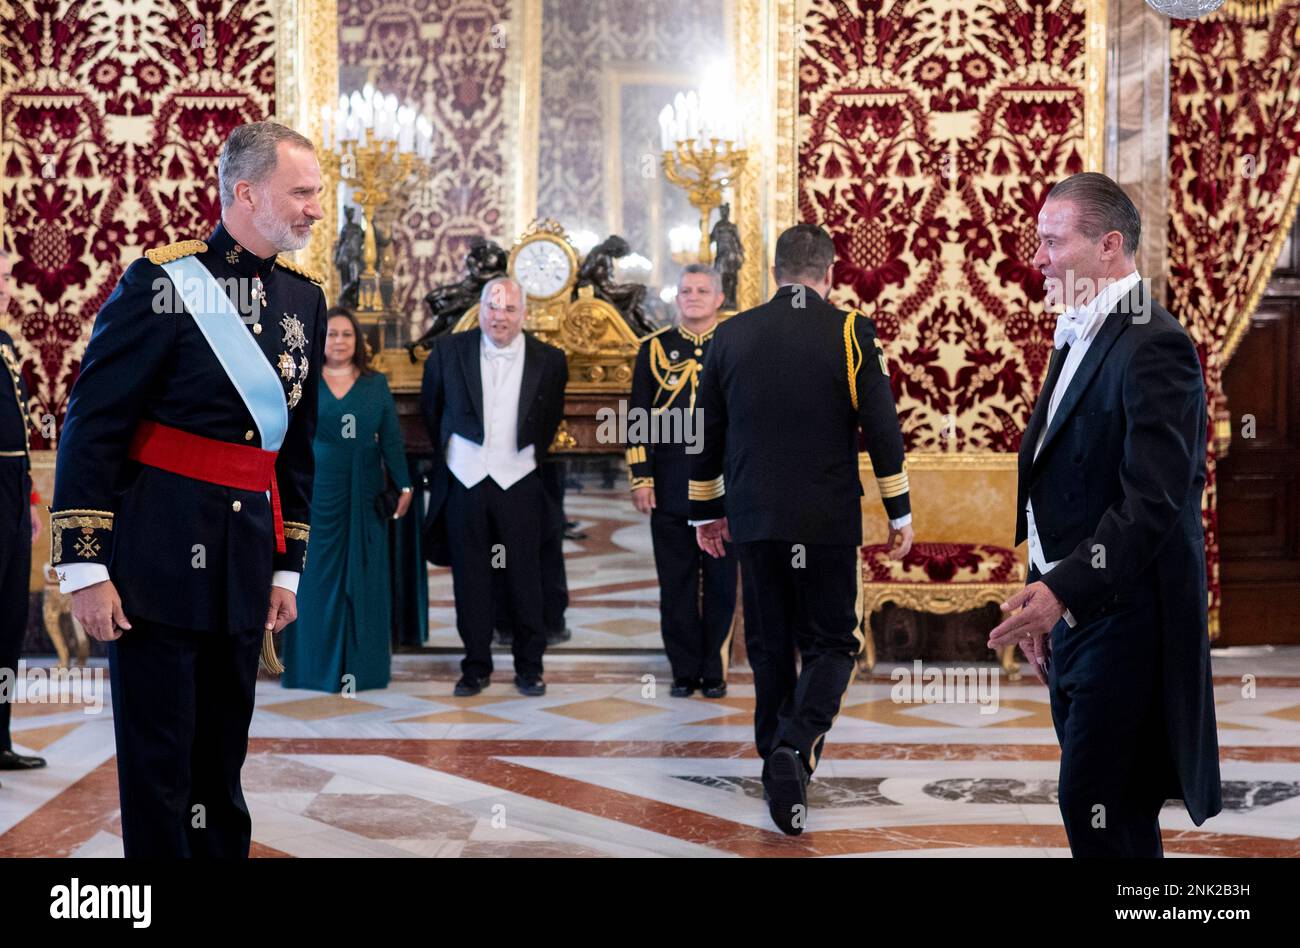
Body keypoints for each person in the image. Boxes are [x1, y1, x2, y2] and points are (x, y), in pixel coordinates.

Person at [49, 121, 326, 858]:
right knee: (158, 768)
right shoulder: (163, 283)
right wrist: (85, 569)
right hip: (155, 565)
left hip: (240, 569)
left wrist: (286, 567)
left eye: (317, 193)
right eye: (301, 192)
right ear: (245, 192)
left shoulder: (304, 300)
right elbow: (94, 426)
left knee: (220, 767)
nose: (315, 209)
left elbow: (295, 451)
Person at [988, 172, 1221, 857]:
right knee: (1113, 813)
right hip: (1083, 618)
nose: (1037, 257)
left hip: (1129, 622)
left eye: (1052, 241)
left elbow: (1152, 501)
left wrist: (1063, 590)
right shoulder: (1081, 330)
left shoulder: (1154, 342)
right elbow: (1061, 481)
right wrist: (1045, 593)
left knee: (1096, 802)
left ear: (1109, 245)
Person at [690, 223, 914, 835]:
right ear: (829, 273)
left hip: (755, 519)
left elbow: (703, 430)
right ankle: (794, 748)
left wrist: (705, 510)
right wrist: (899, 509)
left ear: (774, 272)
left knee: (766, 643)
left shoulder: (729, 334)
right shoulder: (848, 331)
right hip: (825, 520)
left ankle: (777, 764)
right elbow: (882, 427)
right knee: (834, 642)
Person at [421, 277, 568, 697]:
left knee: (526, 577)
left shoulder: (550, 359)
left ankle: (530, 667)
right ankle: (475, 666)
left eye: (508, 309)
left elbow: (548, 420)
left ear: (523, 313)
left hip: (519, 480)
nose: (498, 317)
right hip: (465, 481)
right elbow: (434, 413)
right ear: (480, 308)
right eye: (492, 307)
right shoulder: (448, 351)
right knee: (470, 579)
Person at [281, 306, 412, 692]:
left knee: (366, 577)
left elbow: (390, 439)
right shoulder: (303, 381)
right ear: (321, 339)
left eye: (347, 335)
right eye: (333, 334)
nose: (339, 341)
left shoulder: (376, 384)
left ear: (359, 342)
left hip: (365, 492)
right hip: (316, 492)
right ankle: (311, 670)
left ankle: (364, 669)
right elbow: (287, 441)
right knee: (315, 580)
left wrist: (404, 485)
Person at [628, 264, 737, 699]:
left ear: (719, 299)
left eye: (702, 290)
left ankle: (713, 669)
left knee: (722, 584)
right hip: (671, 485)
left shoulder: (735, 344)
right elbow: (638, 419)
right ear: (676, 298)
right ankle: (682, 669)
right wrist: (641, 477)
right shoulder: (654, 349)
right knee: (676, 583)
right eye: (685, 290)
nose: (692, 296)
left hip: (725, 489)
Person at [0, 248, 47, 779]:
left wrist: (30, 498)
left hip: (12, 491)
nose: (6, 285)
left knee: (8, 623)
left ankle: (1, 737)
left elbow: (17, 431)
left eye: (7, 278)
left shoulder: (7, 343)